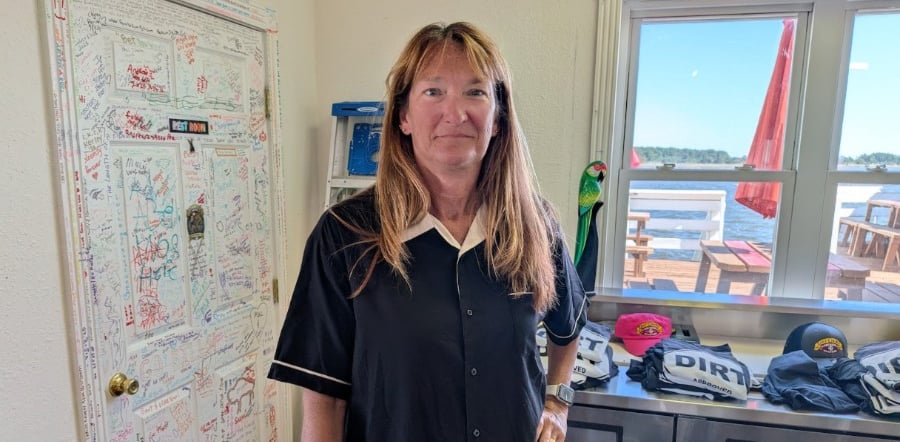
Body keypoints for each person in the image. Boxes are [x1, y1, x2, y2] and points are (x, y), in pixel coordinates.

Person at [268, 21, 587, 442]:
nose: (455, 113)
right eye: (433, 91)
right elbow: (325, 403)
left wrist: (558, 403)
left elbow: (569, 329)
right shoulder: (344, 235)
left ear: (496, 119)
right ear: (402, 116)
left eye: (475, 92)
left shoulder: (536, 226)